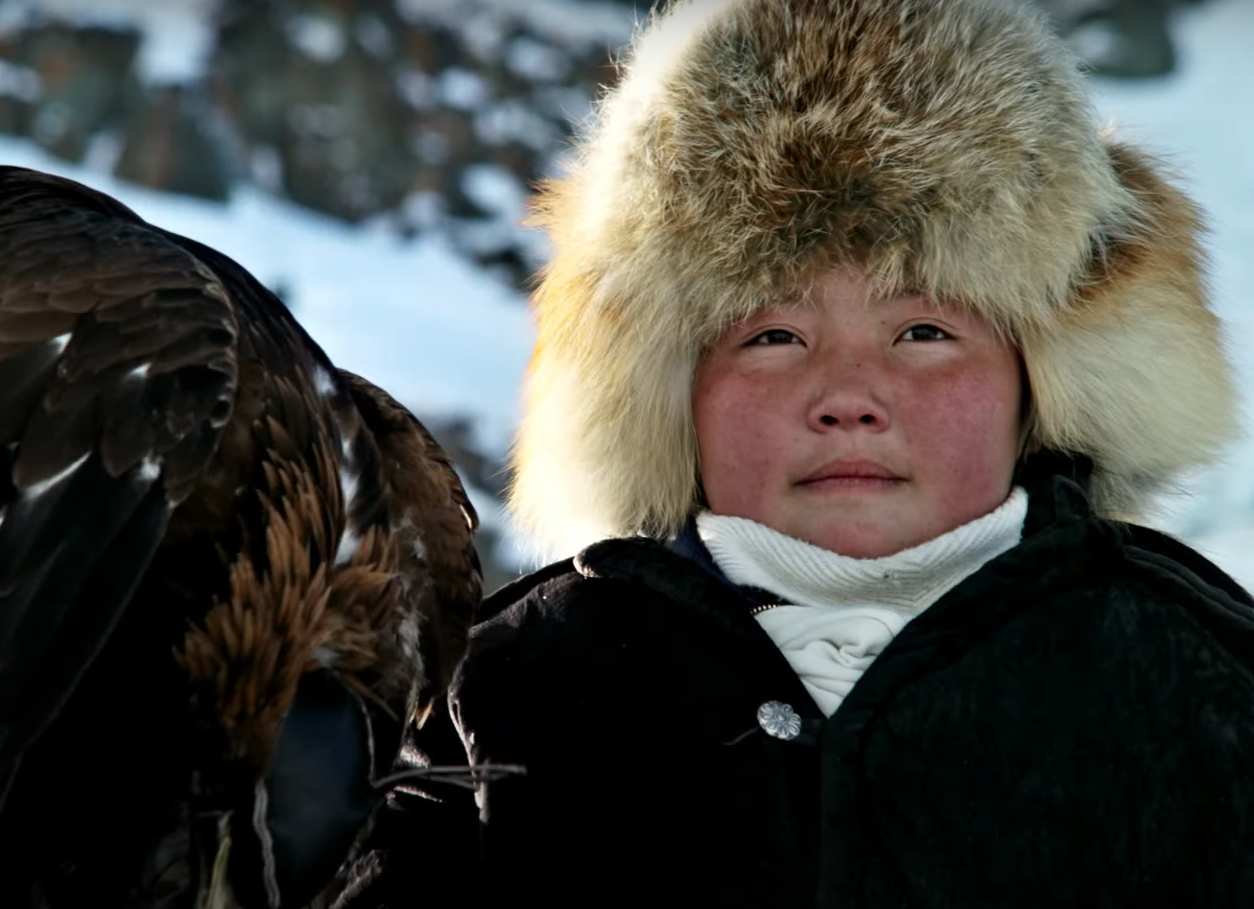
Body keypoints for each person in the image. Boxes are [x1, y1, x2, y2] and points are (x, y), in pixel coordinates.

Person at [341, 0, 1254, 906]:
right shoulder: (515, 686)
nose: (849, 397)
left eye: (924, 329)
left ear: (1040, 386)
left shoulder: (1200, 676)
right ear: (668, 396)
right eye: (773, 336)